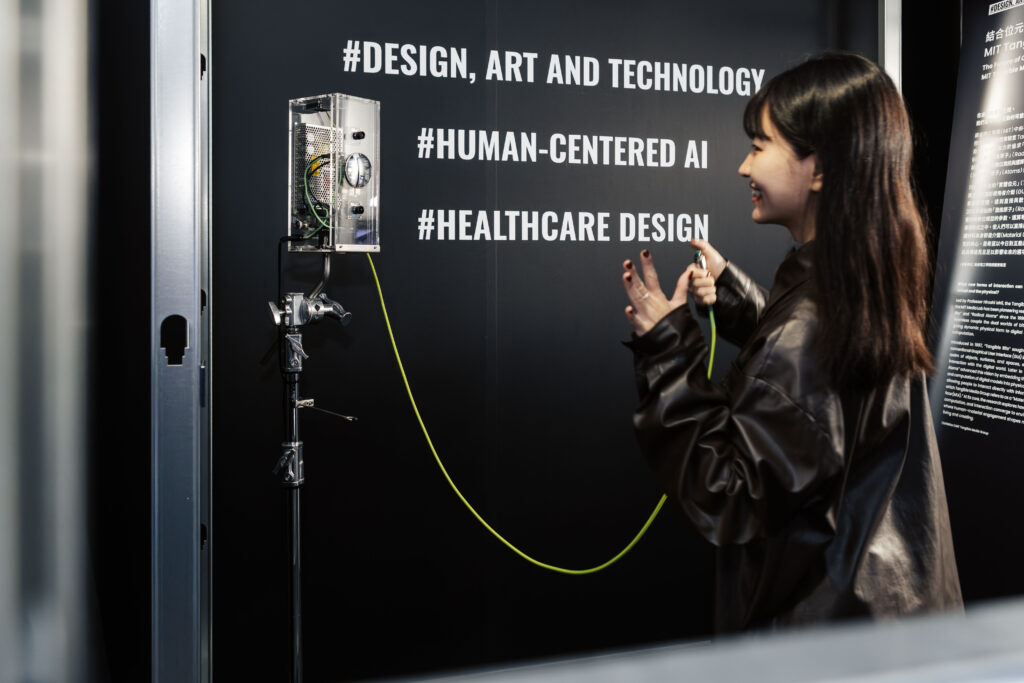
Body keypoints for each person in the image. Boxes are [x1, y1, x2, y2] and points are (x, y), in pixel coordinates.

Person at [620, 53, 962, 632]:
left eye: (760, 145)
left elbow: (728, 493)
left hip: (828, 642)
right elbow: (813, 398)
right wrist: (733, 297)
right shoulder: (861, 281)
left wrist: (667, 352)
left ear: (820, 166)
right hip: (890, 623)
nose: (743, 166)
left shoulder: (814, 324)